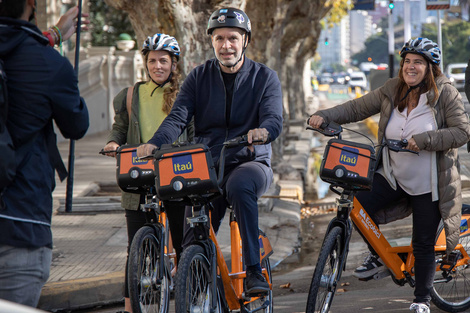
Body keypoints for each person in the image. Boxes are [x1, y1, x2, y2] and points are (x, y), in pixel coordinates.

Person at [308, 37, 470, 313]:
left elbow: (462, 132)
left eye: (418, 62)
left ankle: (421, 301)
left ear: (431, 68)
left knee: (422, 243)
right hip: (393, 175)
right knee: (357, 205)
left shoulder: (446, 94)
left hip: (429, 183)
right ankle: (378, 255)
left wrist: (425, 139)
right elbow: (357, 108)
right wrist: (324, 115)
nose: (410, 67)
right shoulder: (393, 89)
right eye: (407, 61)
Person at [137, 7, 283, 294]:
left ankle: (254, 271)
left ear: (245, 41)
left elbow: (273, 118)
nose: (226, 45)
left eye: (232, 38)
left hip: (250, 161)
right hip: (209, 165)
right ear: (211, 41)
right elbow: (178, 117)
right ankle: (196, 281)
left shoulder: (265, 77)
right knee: (193, 232)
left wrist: (262, 132)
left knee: (241, 187)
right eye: (219, 39)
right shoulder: (198, 77)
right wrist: (155, 143)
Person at [0, 0, 89, 308]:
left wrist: (52, 35)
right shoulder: (48, 64)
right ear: (31, 5)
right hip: (21, 224)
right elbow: (77, 124)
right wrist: (52, 44)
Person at [102, 33, 188, 313]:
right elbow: (120, 128)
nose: (158, 66)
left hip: (177, 175)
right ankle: (130, 309)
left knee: (186, 246)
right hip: (139, 176)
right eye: (152, 61)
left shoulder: (186, 94)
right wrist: (114, 143)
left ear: (174, 64)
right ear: (146, 63)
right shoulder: (131, 95)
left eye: (164, 61)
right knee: (135, 251)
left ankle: (192, 298)